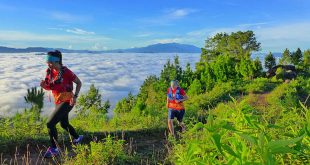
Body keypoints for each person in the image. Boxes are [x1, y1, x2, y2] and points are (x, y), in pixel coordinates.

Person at [40, 50, 83, 158]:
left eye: (50, 62)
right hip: (58, 100)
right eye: (47, 61)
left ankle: (54, 149)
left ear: (57, 61)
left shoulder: (66, 72)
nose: (48, 64)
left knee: (50, 123)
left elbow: (79, 82)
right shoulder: (49, 71)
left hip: (68, 100)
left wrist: (76, 96)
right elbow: (50, 85)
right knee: (64, 124)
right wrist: (44, 86)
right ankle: (78, 138)